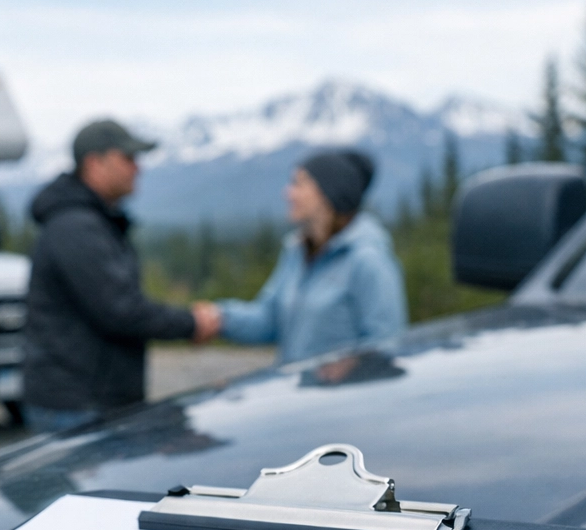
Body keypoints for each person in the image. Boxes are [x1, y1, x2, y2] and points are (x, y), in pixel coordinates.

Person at [22, 119, 221, 433]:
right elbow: (120, 310)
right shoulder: (76, 228)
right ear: (94, 163)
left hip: (87, 400)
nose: (137, 168)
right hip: (78, 405)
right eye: (127, 158)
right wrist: (191, 323)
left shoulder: (87, 222)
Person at [195, 149, 406, 364]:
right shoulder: (297, 253)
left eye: (298, 184)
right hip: (296, 385)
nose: (288, 193)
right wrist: (219, 318)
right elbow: (269, 319)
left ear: (328, 191)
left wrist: (353, 367)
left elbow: (386, 343)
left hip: (346, 388)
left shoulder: (368, 260)